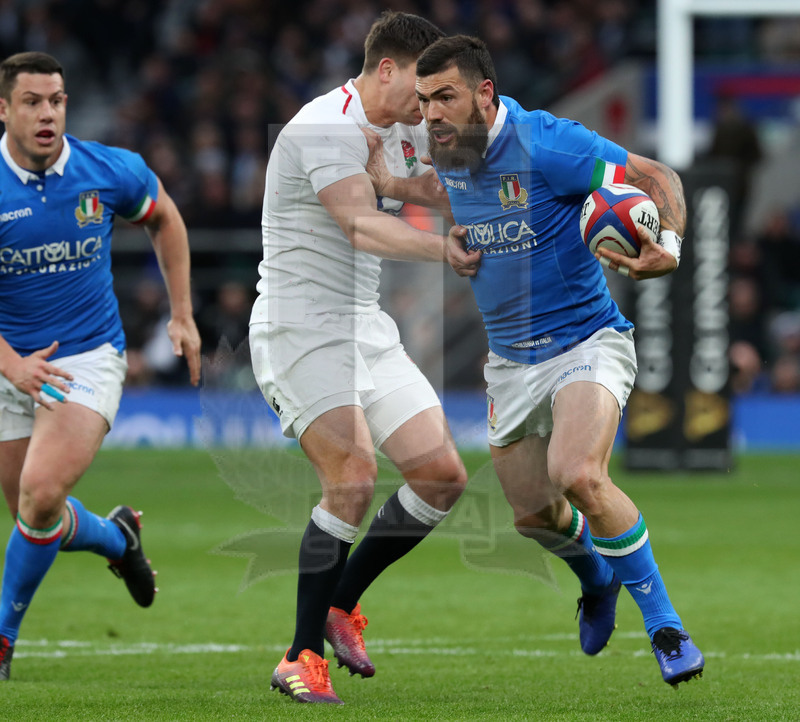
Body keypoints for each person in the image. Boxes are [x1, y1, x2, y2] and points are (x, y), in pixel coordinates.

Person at [404, 35, 703, 687]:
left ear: (485, 93)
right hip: (510, 364)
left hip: (585, 341)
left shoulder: (549, 144)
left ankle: (666, 627)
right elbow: (446, 188)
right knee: (533, 517)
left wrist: (670, 246)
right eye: (423, 100)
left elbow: (657, 177)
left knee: (579, 475)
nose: (430, 113)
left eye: (444, 97)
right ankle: (597, 579)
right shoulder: (444, 145)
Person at [249, 12, 469, 705]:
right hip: (299, 324)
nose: (430, 105)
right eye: (422, 87)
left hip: (363, 324)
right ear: (385, 69)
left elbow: (437, 188)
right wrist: (442, 248)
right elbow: (357, 222)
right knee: (352, 476)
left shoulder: (404, 128)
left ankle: (340, 603)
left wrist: (410, 188)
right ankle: (299, 656)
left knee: (441, 475)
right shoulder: (323, 126)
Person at [0, 52, 201, 681]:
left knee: (38, 497)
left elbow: (165, 217)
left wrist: (183, 314)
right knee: (36, 516)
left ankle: (2, 640)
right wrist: (10, 365)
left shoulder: (107, 170)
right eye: (31, 101)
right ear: (3, 109)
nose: (46, 114)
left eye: (56, 100)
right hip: (9, 361)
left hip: (87, 354)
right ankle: (119, 539)